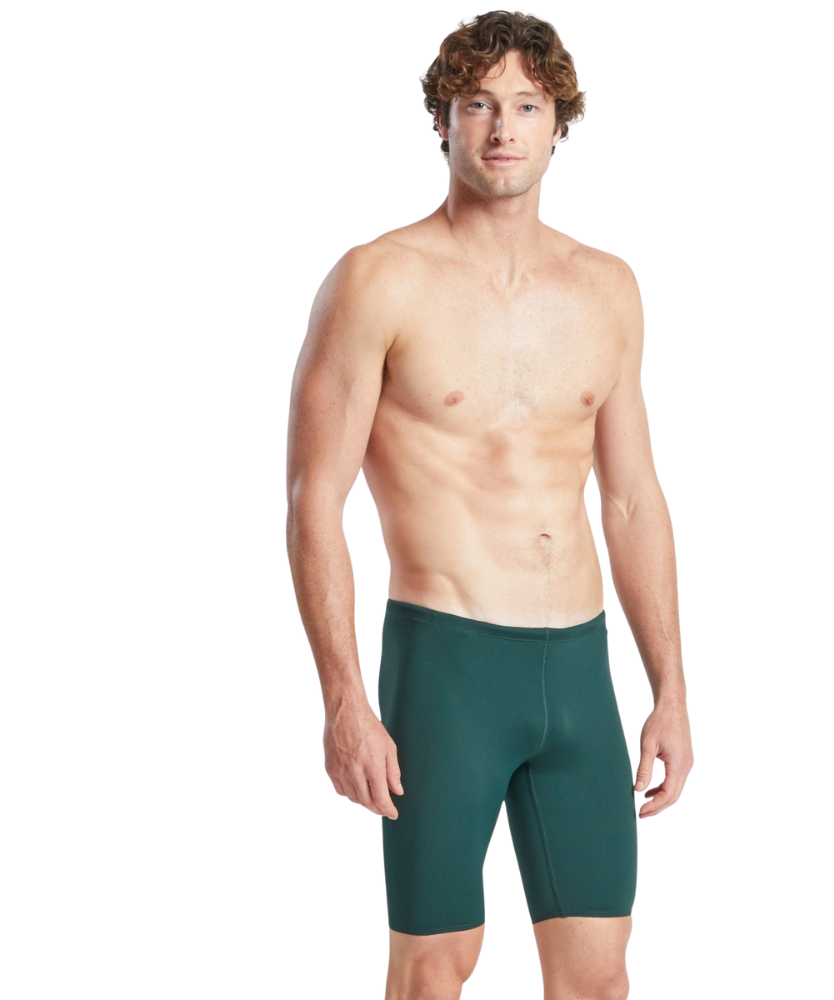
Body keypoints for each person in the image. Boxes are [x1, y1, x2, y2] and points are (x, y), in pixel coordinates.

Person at [285, 10, 693, 998]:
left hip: (579, 673)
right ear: (443, 120)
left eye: (527, 105)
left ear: (559, 123)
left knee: (597, 979)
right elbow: (312, 501)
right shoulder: (378, 279)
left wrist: (670, 688)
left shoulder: (607, 288)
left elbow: (632, 500)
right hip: (447, 667)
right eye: (478, 104)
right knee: (434, 969)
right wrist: (343, 699)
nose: (503, 128)